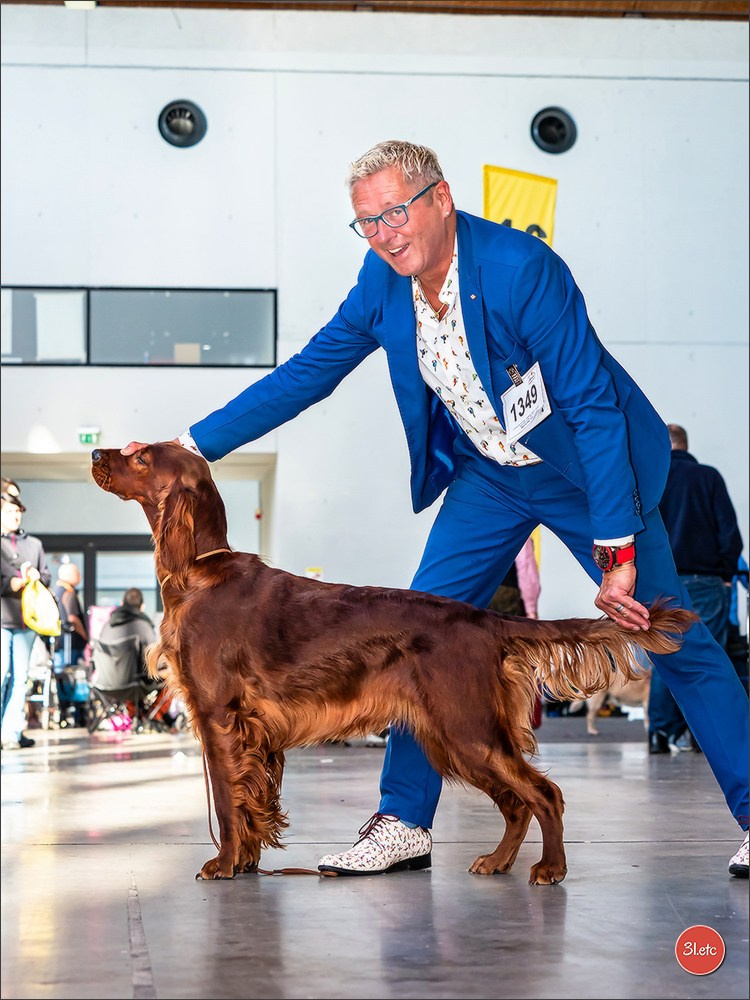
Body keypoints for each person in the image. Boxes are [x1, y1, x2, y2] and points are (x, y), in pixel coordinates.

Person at [123, 139, 749, 879]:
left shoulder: (523, 271)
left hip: (587, 470)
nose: (384, 234)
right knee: (415, 631)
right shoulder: (381, 283)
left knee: (672, 634)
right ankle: (402, 822)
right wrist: (189, 443)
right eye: (367, 222)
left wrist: (616, 555)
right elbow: (308, 374)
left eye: (395, 212)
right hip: (491, 476)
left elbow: (591, 408)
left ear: (440, 198)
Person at [648, 424, 745, 757]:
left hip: (660, 582)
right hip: (705, 580)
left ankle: (658, 733)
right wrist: (729, 572)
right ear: (686, 445)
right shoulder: (708, 477)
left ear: (664, 444)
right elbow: (729, 532)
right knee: (707, 658)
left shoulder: (651, 477)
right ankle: (699, 736)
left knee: (665, 653)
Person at [1, 488, 52, 749]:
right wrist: (8, 584)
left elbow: (46, 577)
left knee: (21, 678)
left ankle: (10, 733)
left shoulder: (34, 545)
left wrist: (36, 577)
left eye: (17, 511)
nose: (15, 516)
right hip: (2, 620)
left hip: (27, 621)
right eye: (9, 511)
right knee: (2, 675)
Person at [95, 588, 177, 729]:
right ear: (142, 607)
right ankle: (154, 715)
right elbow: (153, 660)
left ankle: (136, 714)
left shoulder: (107, 626)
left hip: (106, 684)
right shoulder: (143, 625)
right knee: (174, 675)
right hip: (135, 684)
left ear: (122, 603)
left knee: (135, 673)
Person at [52, 562, 90, 727]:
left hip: (59, 644)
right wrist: (85, 635)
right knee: (74, 677)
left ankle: (63, 713)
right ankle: (76, 715)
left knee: (61, 677)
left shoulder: (54, 592)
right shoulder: (69, 593)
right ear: (68, 575)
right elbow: (73, 618)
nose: (80, 576)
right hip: (71, 644)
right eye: (77, 573)